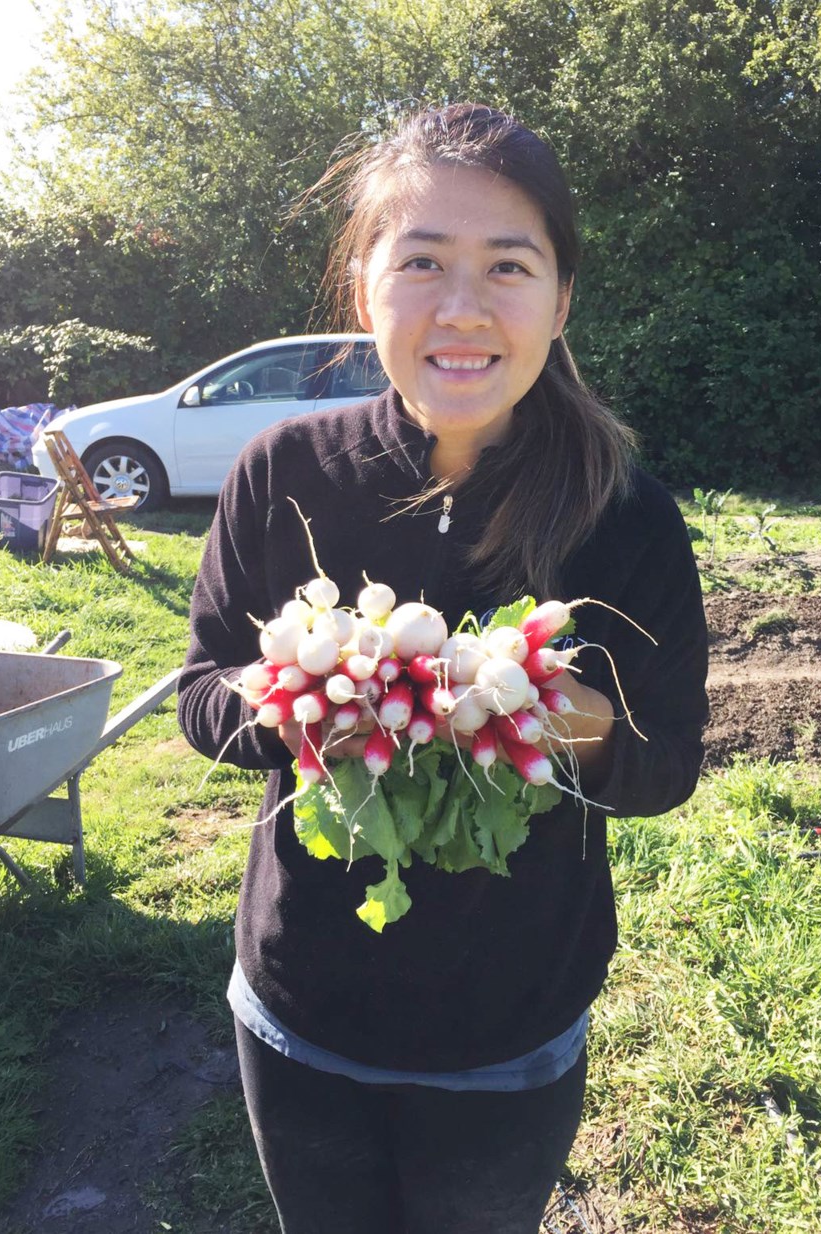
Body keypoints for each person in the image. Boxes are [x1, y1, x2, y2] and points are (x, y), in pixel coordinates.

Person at [177, 102, 708, 1234]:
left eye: (508, 266)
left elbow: (665, 769)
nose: (462, 308)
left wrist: (554, 721)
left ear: (560, 301)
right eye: (422, 261)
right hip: (299, 1004)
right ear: (364, 289)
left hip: (508, 1029)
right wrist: (301, 694)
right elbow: (200, 692)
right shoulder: (283, 474)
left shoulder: (627, 521)